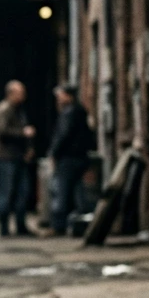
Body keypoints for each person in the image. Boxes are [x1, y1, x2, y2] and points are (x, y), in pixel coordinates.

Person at [0, 80, 34, 237]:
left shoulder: (18, 109)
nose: (23, 96)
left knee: (23, 191)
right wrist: (23, 133)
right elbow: (2, 131)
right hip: (5, 157)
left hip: (17, 156)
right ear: (11, 93)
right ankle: (4, 228)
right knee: (6, 192)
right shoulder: (4, 109)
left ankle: (21, 226)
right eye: (20, 93)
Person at [47, 84, 93, 237]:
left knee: (61, 192)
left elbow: (63, 135)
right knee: (78, 193)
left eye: (60, 95)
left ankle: (58, 226)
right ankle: (82, 224)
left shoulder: (69, 113)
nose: (58, 99)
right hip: (79, 157)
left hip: (68, 158)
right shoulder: (80, 111)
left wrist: (54, 153)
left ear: (68, 96)